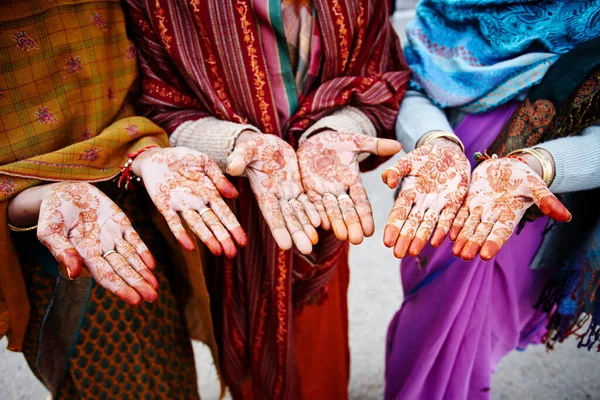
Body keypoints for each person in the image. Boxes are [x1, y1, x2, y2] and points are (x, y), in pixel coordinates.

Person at [123, 0, 410, 398]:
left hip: (324, 199)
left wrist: (331, 133)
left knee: (319, 351)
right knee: (250, 347)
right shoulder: (164, 7)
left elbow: (380, 82)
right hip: (229, 206)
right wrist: (237, 144)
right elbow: (156, 106)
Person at [0, 1, 248, 398]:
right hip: (54, 241)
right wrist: (43, 197)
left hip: (137, 200)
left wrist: (144, 155)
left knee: (171, 363)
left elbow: (143, 84)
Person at [383, 1, 600, 399]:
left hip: (527, 198)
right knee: (431, 314)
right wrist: (436, 142)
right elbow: (410, 86)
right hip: (440, 184)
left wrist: (539, 166)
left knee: (478, 325)